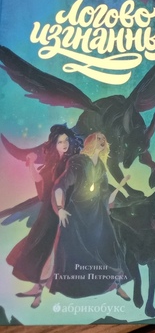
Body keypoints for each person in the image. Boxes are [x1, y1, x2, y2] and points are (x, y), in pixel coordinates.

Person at [49, 131, 132, 300]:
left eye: (104, 139)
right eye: (99, 138)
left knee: (111, 246)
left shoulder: (101, 166)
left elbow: (104, 193)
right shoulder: (78, 161)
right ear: (91, 141)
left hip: (97, 213)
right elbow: (61, 185)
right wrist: (60, 208)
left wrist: (117, 191)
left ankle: (117, 284)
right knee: (76, 250)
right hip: (78, 213)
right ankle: (76, 287)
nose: (103, 141)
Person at [7, 124, 80, 308]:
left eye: (66, 140)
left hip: (63, 211)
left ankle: (39, 291)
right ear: (54, 144)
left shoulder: (73, 163)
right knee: (40, 248)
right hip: (47, 212)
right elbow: (40, 184)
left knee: (53, 251)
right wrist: (31, 163)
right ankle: (37, 290)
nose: (64, 144)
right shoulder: (52, 163)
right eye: (60, 141)